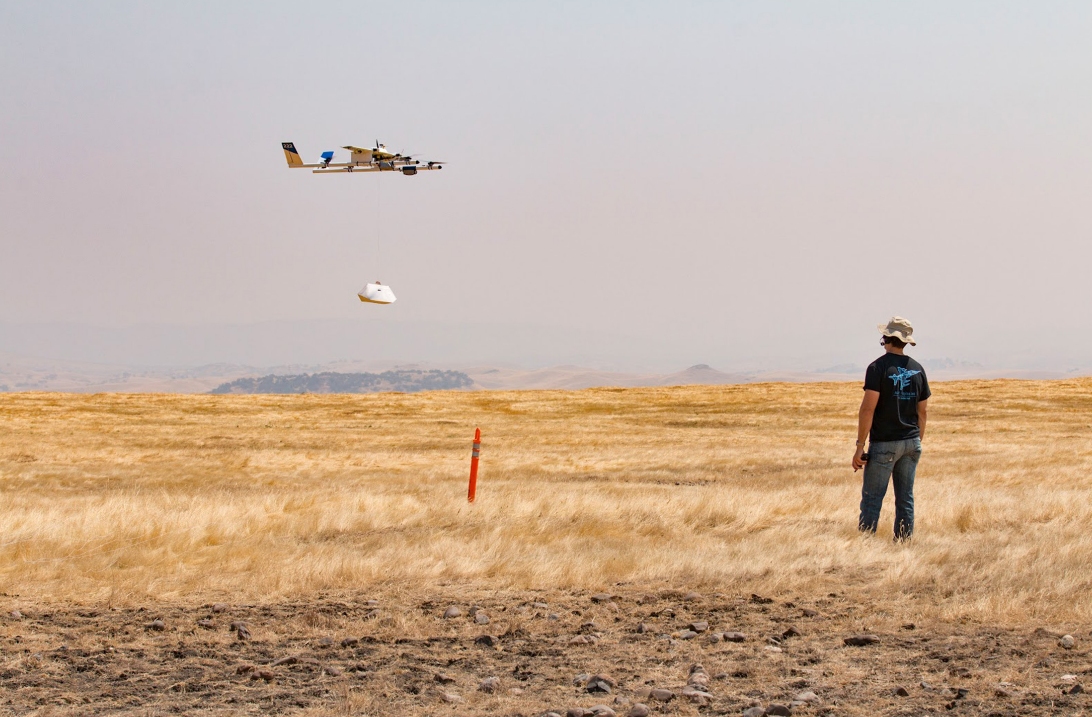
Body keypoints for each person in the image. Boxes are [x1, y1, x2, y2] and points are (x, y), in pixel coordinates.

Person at [852, 317, 930, 541]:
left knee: (872, 498)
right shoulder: (918, 369)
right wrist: (917, 441)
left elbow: (868, 409)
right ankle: (903, 544)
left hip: (885, 443)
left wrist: (860, 446)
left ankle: (865, 545)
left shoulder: (877, 367)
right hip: (911, 441)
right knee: (905, 498)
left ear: (886, 338)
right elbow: (922, 411)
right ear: (905, 342)